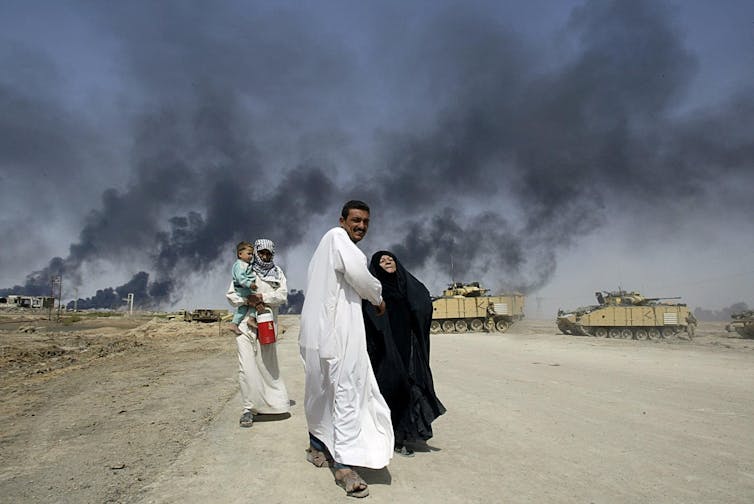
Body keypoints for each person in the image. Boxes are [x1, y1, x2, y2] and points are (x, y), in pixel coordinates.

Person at [299, 200, 391, 498]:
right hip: (337, 334)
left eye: (366, 221)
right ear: (342, 220)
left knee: (321, 390)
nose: (361, 226)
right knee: (347, 393)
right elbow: (360, 276)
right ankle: (344, 466)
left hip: (317, 334)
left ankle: (316, 446)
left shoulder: (322, 248)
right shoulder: (339, 239)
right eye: (356, 220)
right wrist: (377, 298)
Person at [363, 251, 446, 457]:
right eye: (382, 261)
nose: (387, 261)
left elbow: (422, 302)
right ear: (376, 267)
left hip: (406, 348)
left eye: (390, 258)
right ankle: (389, 437)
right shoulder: (374, 290)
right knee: (389, 389)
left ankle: (402, 436)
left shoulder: (405, 285)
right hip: (383, 349)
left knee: (408, 388)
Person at [226, 238, 290, 428]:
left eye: (268, 253)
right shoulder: (245, 269)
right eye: (261, 253)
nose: (264, 256)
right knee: (246, 367)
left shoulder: (277, 273)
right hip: (245, 325)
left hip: (266, 324)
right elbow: (231, 295)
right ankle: (249, 408)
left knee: (266, 365)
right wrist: (248, 301)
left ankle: (273, 405)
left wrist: (263, 297)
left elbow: (282, 296)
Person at [229, 241, 258, 335]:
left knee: (243, 308)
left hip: (244, 289)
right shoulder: (239, 265)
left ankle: (234, 324)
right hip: (243, 288)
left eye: (252, 254)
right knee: (255, 301)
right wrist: (250, 284)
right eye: (249, 253)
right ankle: (251, 319)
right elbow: (240, 278)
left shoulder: (246, 264)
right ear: (240, 254)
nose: (251, 256)